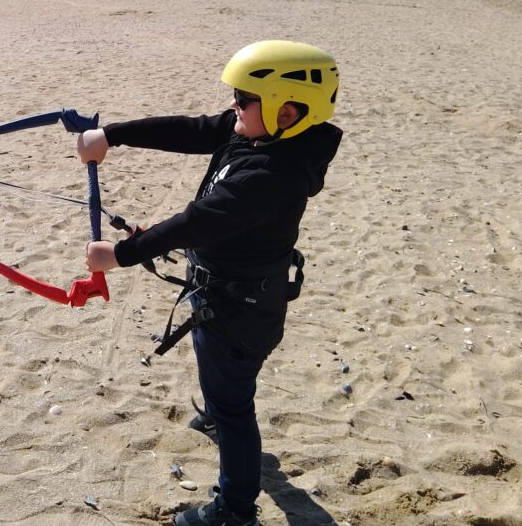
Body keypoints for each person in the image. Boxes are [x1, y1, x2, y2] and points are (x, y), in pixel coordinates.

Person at [77, 41, 342, 526]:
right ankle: (220, 413)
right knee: (225, 386)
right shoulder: (262, 134)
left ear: (287, 110)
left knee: (236, 405)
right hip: (226, 296)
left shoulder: (271, 172)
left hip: (239, 311)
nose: (233, 107)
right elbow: (193, 129)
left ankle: (235, 511)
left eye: (244, 99)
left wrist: (120, 255)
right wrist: (112, 135)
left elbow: (196, 222)